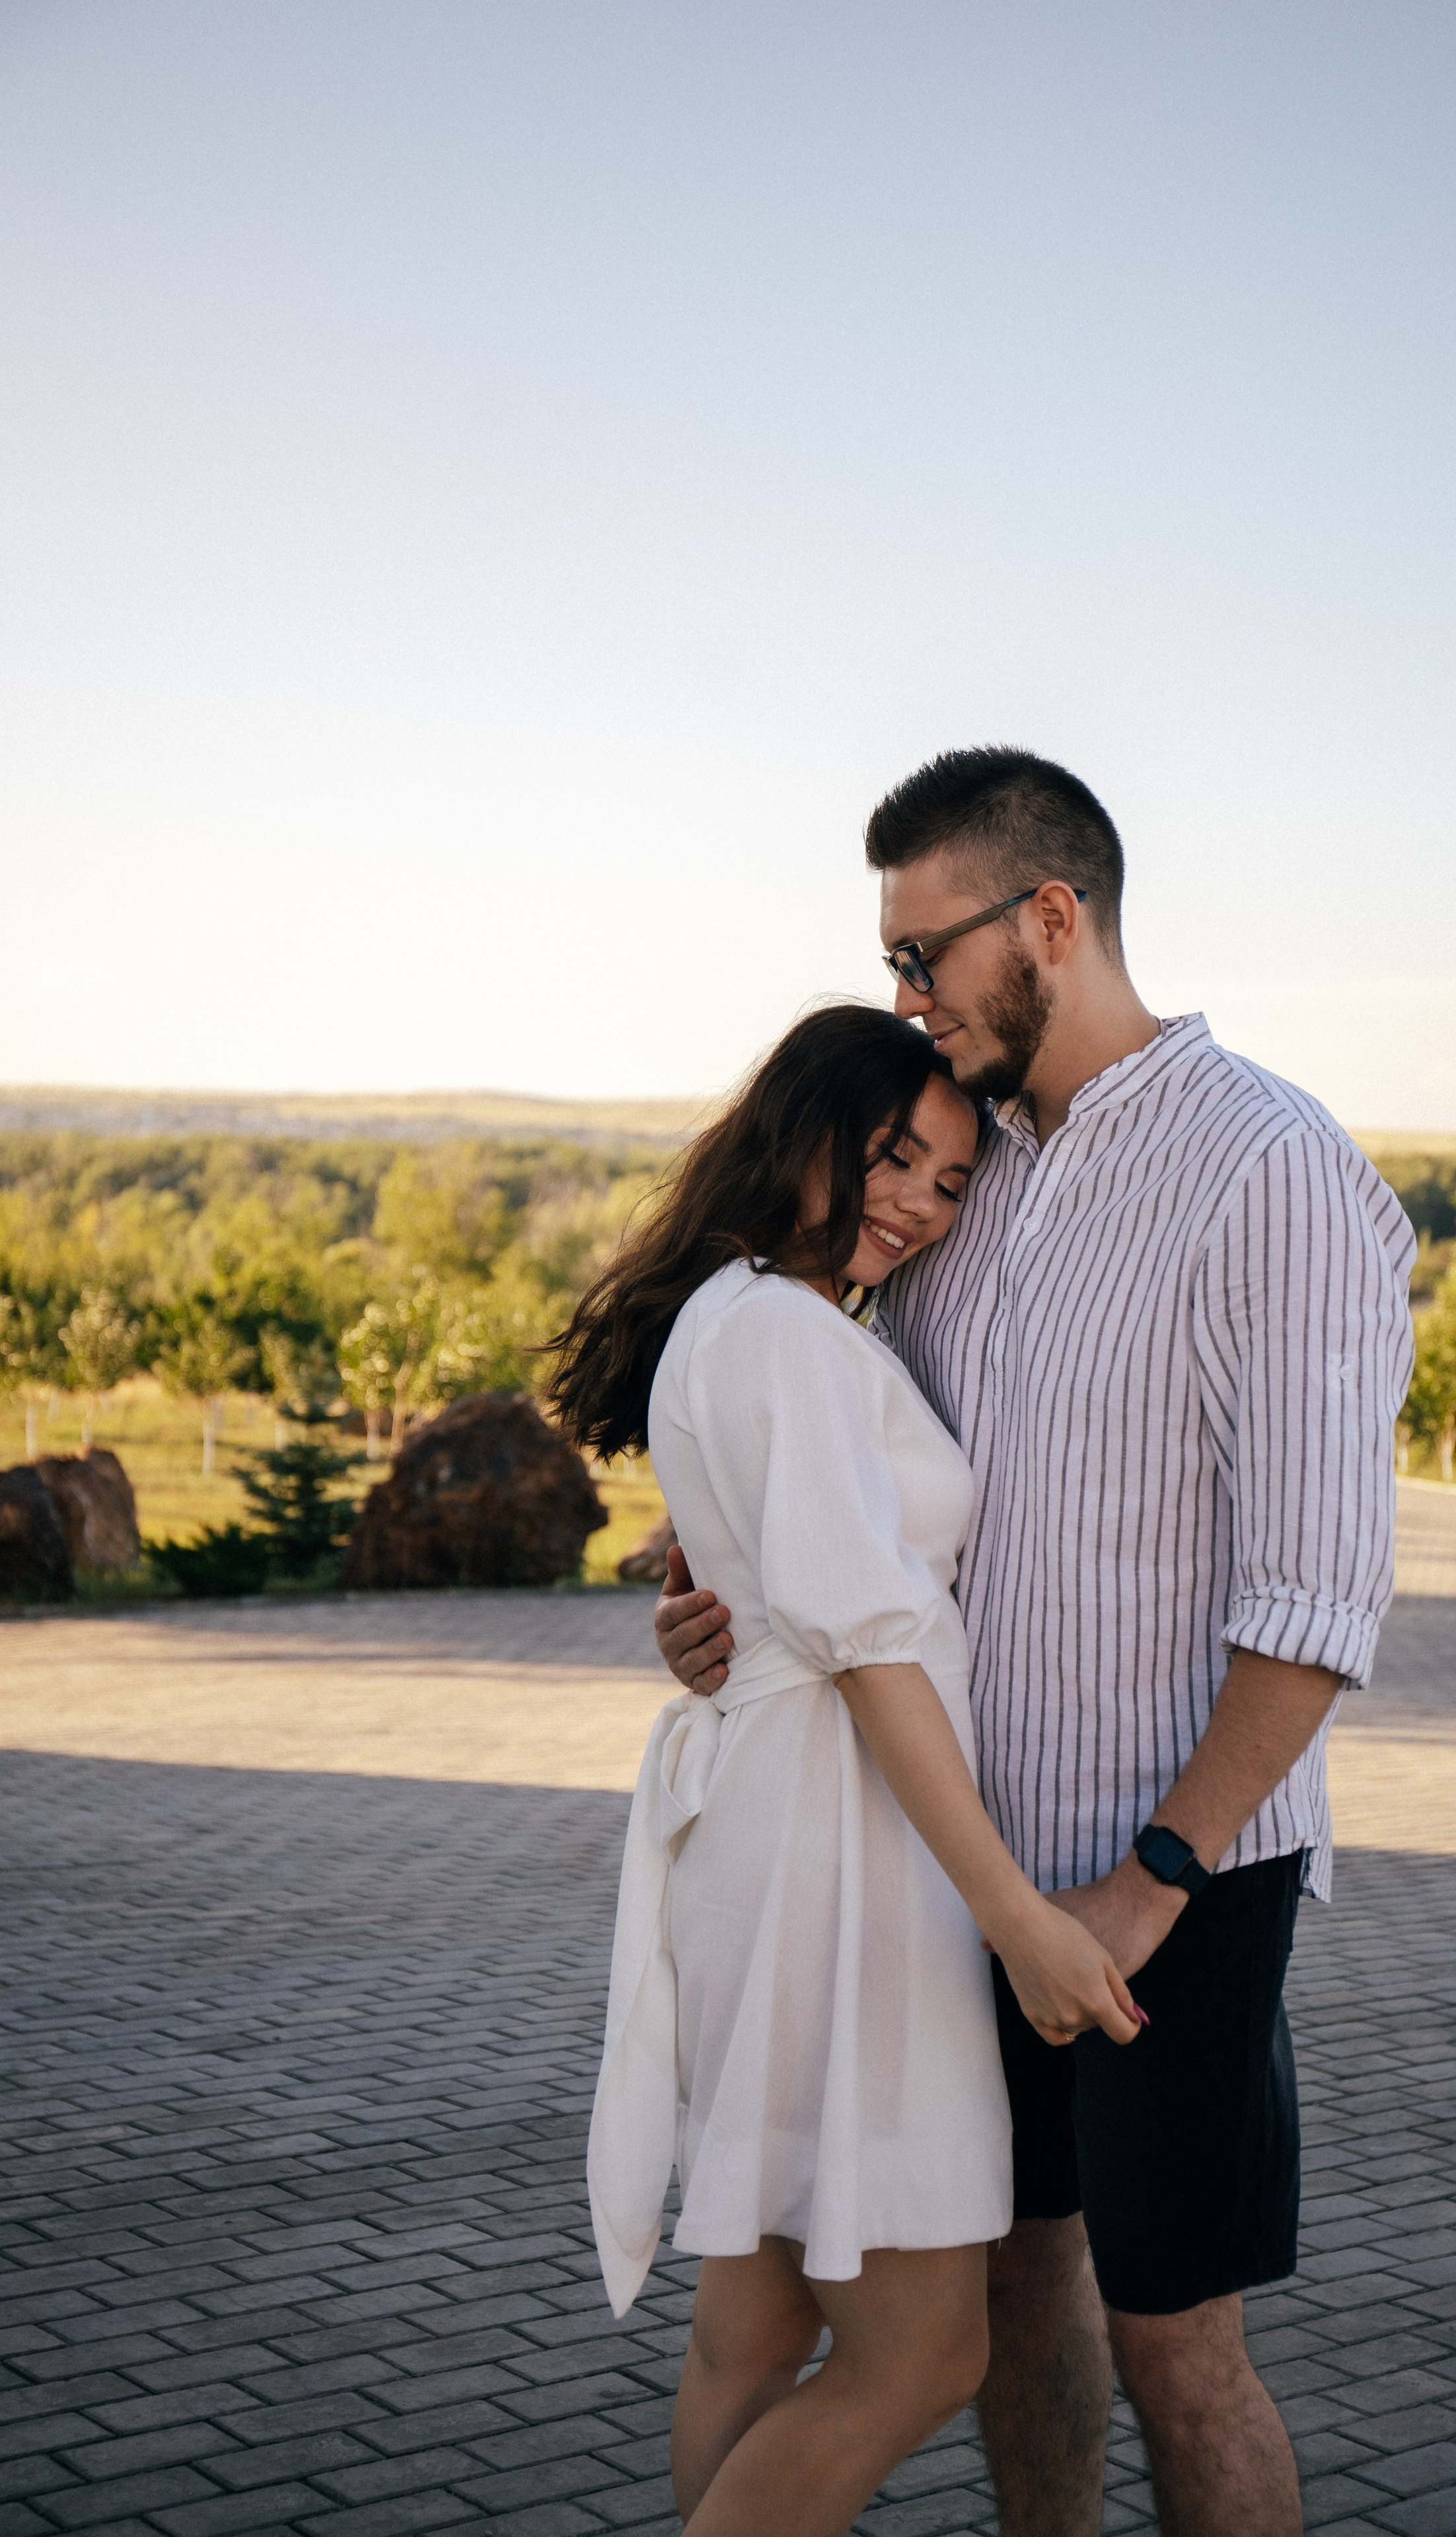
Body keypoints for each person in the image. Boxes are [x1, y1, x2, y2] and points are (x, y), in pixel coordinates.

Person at [657, 748, 1417, 2537]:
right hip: (952, 1864)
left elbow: (1319, 1595)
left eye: (925, 954)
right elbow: (850, 1468)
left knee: (1179, 2345)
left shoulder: (1273, 1168)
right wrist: (719, 1600)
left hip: (1173, 1877)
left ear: (1049, 921)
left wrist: (1153, 1878)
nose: (906, 996)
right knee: (1009, 2300)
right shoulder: (964, 1170)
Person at [548, 1002, 1142, 2537]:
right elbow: (874, 1650)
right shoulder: (788, 1336)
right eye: (892, 1156)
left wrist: (703, 1625)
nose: (915, 1205)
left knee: (751, 2329)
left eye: (948, 1182)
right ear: (801, 1129)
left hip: (786, 1825)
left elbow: (776, 1587)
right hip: (847, 1858)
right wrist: (1013, 1913)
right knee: (930, 2348)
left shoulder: (745, 1317)